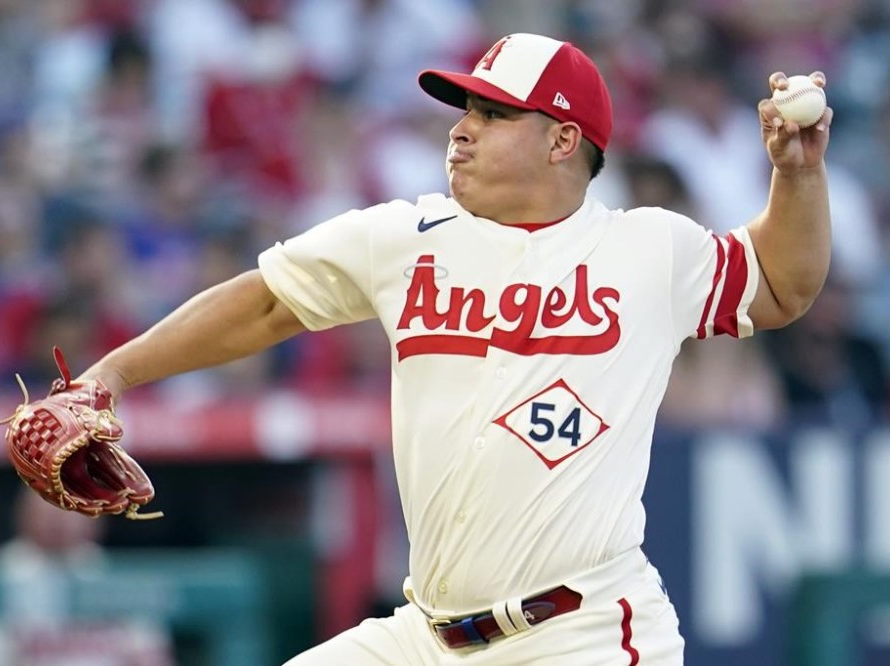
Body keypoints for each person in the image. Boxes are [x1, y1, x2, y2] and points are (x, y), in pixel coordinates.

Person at [68, 33, 832, 665]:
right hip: (423, 636)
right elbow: (266, 300)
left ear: (564, 138)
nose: (461, 129)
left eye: (493, 114)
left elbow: (780, 285)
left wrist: (797, 176)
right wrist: (114, 373)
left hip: (581, 635)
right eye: (464, 108)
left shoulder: (648, 249)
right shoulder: (405, 235)